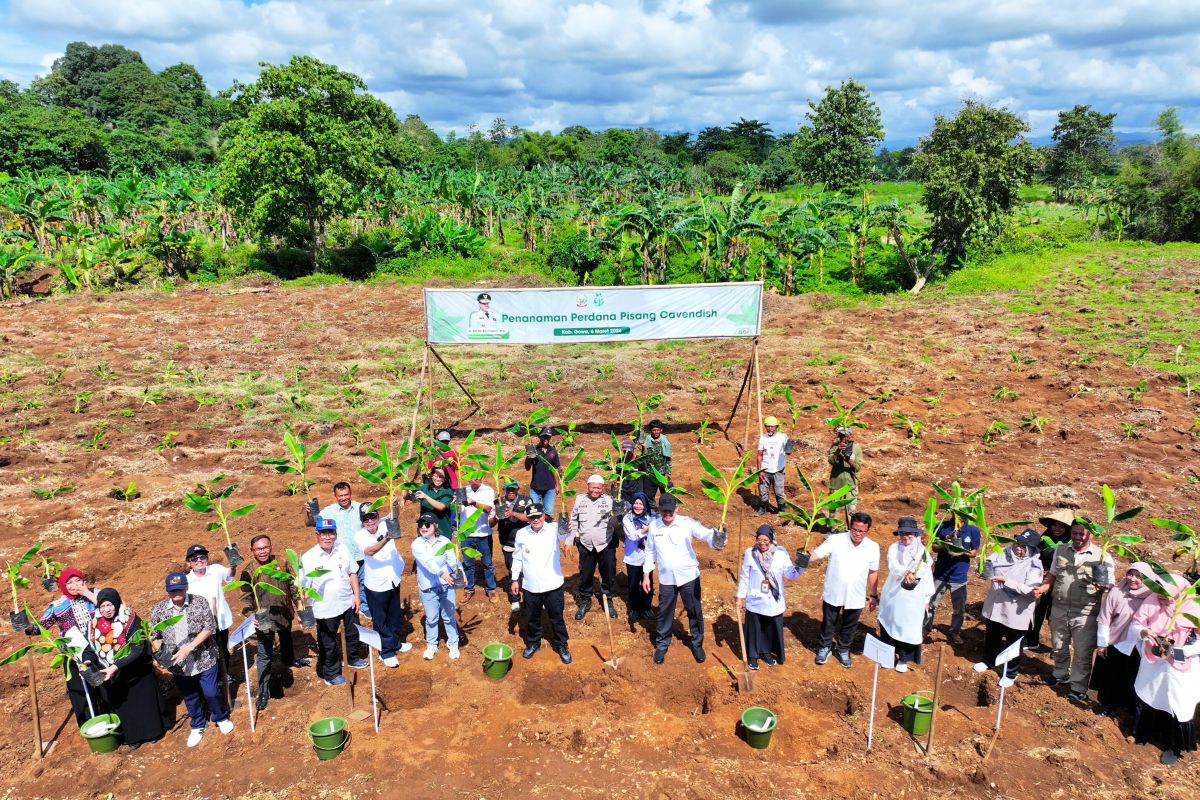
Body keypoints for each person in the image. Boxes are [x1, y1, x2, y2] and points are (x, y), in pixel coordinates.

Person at [151, 572, 233, 748]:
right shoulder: (159, 609)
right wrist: (160, 652)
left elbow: (209, 627)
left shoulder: (199, 602)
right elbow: (155, 635)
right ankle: (197, 724)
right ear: (167, 591)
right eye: (173, 591)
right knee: (190, 695)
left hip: (204, 657)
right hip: (178, 663)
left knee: (211, 691)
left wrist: (189, 647)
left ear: (186, 587)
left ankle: (220, 716)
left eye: (180, 589)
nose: (177, 593)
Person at [1035, 521, 1115, 702]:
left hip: (1086, 613)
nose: (1078, 537)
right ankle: (1060, 673)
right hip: (1060, 607)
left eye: (1082, 534)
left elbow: (1110, 585)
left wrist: (1103, 587)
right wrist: (1043, 588)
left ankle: (1078, 687)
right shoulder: (1061, 550)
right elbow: (1053, 574)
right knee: (1058, 645)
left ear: (1091, 535)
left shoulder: (1103, 557)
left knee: (1082, 652)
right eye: (1075, 533)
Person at [642, 493, 725, 665]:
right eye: (664, 511)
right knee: (665, 612)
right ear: (659, 510)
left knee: (694, 611)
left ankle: (697, 643)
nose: (667, 514)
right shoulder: (654, 527)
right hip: (667, 579)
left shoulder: (687, 523)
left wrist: (717, 537)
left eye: (670, 511)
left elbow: (705, 534)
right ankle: (662, 644)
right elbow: (649, 551)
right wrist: (646, 575)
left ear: (676, 509)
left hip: (689, 577)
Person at [1131, 573, 1200, 765]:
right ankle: (1145, 733)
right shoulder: (1152, 600)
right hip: (1153, 658)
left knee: (1177, 703)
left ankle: (1173, 746)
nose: (1160, 596)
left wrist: (1181, 651)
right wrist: (1143, 632)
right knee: (1151, 694)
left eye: (1165, 593)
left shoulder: (1194, 607)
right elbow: (1137, 624)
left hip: (1179, 664)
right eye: (1158, 591)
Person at [88, 588, 169, 749]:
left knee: (143, 703)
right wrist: (88, 661)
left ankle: (152, 732)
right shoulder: (94, 623)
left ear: (116, 603)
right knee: (125, 708)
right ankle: (132, 737)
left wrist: (115, 666)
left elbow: (138, 647)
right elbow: (89, 648)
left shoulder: (130, 618)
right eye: (102, 606)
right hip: (112, 676)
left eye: (110, 605)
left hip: (136, 670)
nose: (106, 610)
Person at [239, 535, 308, 710]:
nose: (262, 551)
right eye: (258, 549)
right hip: (263, 619)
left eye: (265, 547)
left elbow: (292, 585)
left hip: (283, 612)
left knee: (286, 637)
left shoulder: (281, 562)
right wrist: (250, 615)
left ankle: (289, 659)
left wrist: (298, 605)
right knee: (264, 654)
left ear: (271, 547)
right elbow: (246, 597)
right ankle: (263, 690)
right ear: (252, 551)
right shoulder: (249, 571)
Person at [29, 567, 102, 726]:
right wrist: (25, 625)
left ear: (84, 580)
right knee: (82, 691)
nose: (74, 585)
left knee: (105, 683)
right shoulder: (57, 606)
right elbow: (39, 628)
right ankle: (91, 725)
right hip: (74, 654)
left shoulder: (96, 593)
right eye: (69, 583)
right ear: (63, 585)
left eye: (78, 580)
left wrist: (86, 593)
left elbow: (110, 607)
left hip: (100, 647)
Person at [973, 529, 1044, 687]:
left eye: (1024, 546)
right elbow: (988, 562)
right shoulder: (1003, 552)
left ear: (1032, 549)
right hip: (996, 605)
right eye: (1018, 543)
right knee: (992, 636)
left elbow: (1030, 590)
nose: (1019, 548)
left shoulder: (1035, 565)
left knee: (1013, 643)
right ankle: (989, 661)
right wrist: (983, 569)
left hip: (1016, 610)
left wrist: (1007, 581)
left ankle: (1011, 673)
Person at [301, 519, 366, 686]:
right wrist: (303, 610)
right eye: (323, 533)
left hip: (347, 601)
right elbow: (302, 588)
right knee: (328, 642)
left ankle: (352, 658)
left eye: (331, 533)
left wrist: (357, 596)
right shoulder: (309, 558)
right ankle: (331, 673)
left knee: (353, 632)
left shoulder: (342, 549)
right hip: (325, 608)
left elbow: (352, 573)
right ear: (317, 535)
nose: (328, 537)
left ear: (335, 534)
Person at [810, 511, 880, 668]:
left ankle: (842, 649)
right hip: (833, 591)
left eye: (861, 531)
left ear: (867, 531)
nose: (857, 533)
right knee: (829, 622)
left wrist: (873, 595)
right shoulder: (836, 540)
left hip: (856, 594)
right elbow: (818, 553)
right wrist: (805, 558)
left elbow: (873, 572)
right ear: (850, 527)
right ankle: (825, 647)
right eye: (854, 529)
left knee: (850, 625)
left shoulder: (872, 547)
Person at [511, 502, 574, 664]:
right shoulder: (521, 534)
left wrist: (569, 528)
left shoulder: (553, 529)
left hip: (552, 584)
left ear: (544, 515)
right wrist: (514, 579)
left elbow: (567, 533)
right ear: (527, 518)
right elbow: (517, 557)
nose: (535, 519)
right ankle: (533, 642)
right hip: (530, 585)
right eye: (531, 517)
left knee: (556, 616)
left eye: (538, 516)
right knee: (532, 617)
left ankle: (561, 645)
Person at [736, 524, 803, 669]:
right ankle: (753, 656)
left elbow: (790, 574)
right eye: (759, 540)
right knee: (754, 628)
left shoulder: (781, 553)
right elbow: (744, 577)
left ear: (772, 540)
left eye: (766, 541)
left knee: (769, 627)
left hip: (773, 600)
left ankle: (766, 652)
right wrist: (740, 596)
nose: (762, 544)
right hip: (755, 598)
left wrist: (800, 565)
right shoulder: (750, 553)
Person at [1091, 562, 1154, 714]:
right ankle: (1105, 705)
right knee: (1110, 675)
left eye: (1139, 577)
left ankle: (1124, 709)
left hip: (1138, 646)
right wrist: (1102, 644)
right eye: (1130, 574)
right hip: (1117, 642)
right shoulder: (1117, 592)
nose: (1133, 579)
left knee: (1130, 677)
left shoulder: (1152, 597)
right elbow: (1105, 618)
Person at [354, 507, 413, 667]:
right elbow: (370, 551)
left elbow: (396, 512)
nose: (370, 521)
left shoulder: (386, 523)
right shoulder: (360, 535)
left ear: (378, 516)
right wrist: (387, 539)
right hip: (376, 584)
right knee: (380, 619)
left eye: (373, 517)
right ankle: (385, 652)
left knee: (394, 615)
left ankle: (395, 643)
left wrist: (395, 502)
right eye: (366, 519)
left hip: (393, 578)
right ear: (362, 521)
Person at [877, 517, 936, 672]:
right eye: (902, 533)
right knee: (890, 621)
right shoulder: (894, 548)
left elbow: (927, 572)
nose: (905, 536)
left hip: (913, 596)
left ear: (915, 534)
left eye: (909, 533)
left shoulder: (922, 551)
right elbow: (892, 564)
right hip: (894, 592)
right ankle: (888, 656)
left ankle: (904, 658)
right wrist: (905, 571)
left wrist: (927, 596)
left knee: (908, 626)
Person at [305, 481, 370, 618]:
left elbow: (373, 521)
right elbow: (311, 522)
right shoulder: (329, 511)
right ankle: (347, 605)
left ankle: (363, 606)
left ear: (350, 493)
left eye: (346, 494)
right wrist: (309, 512)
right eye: (340, 495)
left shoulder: (360, 508)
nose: (344, 498)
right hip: (342, 556)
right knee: (344, 582)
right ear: (335, 496)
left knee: (363, 581)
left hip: (360, 554)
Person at [922, 504, 981, 645]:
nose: (958, 515)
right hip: (940, 574)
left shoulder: (972, 530)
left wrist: (960, 550)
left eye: (961, 513)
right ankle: (925, 629)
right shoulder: (942, 526)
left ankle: (954, 632)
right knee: (930, 604)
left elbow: (973, 553)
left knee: (959, 609)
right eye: (955, 512)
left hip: (959, 576)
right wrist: (946, 544)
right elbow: (935, 547)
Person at [411, 512, 461, 660]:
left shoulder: (445, 542)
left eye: (427, 524)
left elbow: (452, 560)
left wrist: (460, 571)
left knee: (449, 617)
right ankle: (432, 644)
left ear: (435, 526)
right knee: (432, 618)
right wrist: (442, 573)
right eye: (421, 525)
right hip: (428, 587)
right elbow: (427, 562)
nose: (423, 527)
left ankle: (453, 643)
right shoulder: (417, 544)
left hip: (446, 586)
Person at [184, 544, 234, 682]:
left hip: (221, 620)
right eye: (194, 558)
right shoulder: (187, 581)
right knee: (208, 653)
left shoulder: (216, 569)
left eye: (202, 556)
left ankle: (225, 675)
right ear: (189, 563)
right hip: (202, 626)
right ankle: (213, 679)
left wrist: (233, 563)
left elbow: (230, 574)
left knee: (223, 649)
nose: (199, 560)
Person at [570, 474, 617, 620]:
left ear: (602, 488)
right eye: (593, 487)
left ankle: (607, 598)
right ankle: (585, 599)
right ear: (588, 486)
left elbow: (617, 521)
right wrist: (572, 537)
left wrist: (620, 512)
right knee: (585, 574)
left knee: (608, 573)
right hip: (586, 544)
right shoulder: (580, 499)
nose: (595, 490)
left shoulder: (609, 501)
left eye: (598, 487)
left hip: (605, 544)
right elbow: (573, 519)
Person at [1028, 509, 1074, 652]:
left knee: (1057, 616)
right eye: (1055, 525)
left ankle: (1059, 648)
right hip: (1043, 581)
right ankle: (1031, 640)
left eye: (1061, 526)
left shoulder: (1071, 543)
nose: (1057, 529)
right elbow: (1035, 557)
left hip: (1061, 584)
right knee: (1037, 611)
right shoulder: (1045, 538)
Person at [493, 479, 533, 611]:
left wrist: (514, 513)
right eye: (508, 489)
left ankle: (531, 596)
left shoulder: (527, 501)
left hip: (526, 543)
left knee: (529, 570)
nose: (511, 492)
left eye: (513, 489)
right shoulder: (498, 502)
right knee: (512, 571)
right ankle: (515, 598)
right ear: (504, 490)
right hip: (508, 543)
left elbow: (530, 518)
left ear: (518, 489)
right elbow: (491, 524)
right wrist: (495, 518)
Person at [461, 475, 498, 602]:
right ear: (468, 479)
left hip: (483, 534)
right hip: (466, 534)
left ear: (482, 478)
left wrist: (473, 502)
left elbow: (488, 509)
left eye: (478, 477)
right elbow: (457, 510)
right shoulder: (462, 490)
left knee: (487, 563)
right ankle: (469, 589)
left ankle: (491, 589)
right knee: (468, 564)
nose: (476, 479)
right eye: (473, 477)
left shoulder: (488, 491)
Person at [622, 492, 655, 624]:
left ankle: (646, 606)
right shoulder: (627, 518)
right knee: (633, 584)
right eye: (635, 503)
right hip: (632, 557)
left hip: (647, 557)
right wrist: (647, 529)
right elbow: (632, 536)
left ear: (645, 505)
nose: (637, 506)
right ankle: (635, 608)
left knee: (648, 583)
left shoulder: (651, 518)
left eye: (641, 503)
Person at [826, 426, 862, 528]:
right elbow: (831, 461)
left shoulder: (856, 447)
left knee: (851, 511)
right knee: (833, 509)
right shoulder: (834, 446)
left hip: (850, 484)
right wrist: (837, 451)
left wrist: (848, 460)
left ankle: (850, 531)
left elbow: (858, 467)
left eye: (845, 435)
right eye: (841, 435)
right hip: (836, 482)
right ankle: (832, 531)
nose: (843, 437)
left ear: (850, 435)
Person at [756, 416, 789, 515]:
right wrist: (759, 470)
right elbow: (759, 455)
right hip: (765, 470)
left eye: (772, 426)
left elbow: (788, 448)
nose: (770, 428)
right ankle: (763, 508)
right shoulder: (763, 438)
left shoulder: (783, 437)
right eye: (768, 426)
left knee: (779, 492)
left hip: (778, 470)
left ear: (776, 427)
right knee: (763, 491)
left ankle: (782, 509)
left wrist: (790, 445)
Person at [525, 428, 561, 518]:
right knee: (533, 513)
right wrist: (528, 457)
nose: (546, 438)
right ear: (539, 437)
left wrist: (557, 485)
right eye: (544, 436)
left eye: (548, 437)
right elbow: (527, 468)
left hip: (550, 487)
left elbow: (554, 469)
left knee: (548, 513)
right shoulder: (534, 450)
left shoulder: (553, 451)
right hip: (535, 487)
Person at [638, 420, 672, 510]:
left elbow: (668, 459)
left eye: (657, 430)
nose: (656, 432)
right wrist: (644, 447)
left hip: (662, 473)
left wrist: (667, 474)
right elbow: (644, 458)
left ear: (661, 430)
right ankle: (651, 512)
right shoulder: (647, 441)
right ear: (651, 431)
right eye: (654, 430)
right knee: (649, 496)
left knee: (666, 495)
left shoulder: (665, 442)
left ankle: (665, 511)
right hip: (650, 473)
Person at [414, 466, 455, 539]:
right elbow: (410, 497)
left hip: (443, 532)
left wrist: (426, 497)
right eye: (436, 476)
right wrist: (405, 489)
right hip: (425, 530)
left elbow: (441, 507)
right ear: (431, 476)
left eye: (441, 476)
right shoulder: (424, 488)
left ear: (445, 478)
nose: (438, 479)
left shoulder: (448, 491)